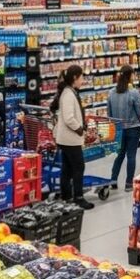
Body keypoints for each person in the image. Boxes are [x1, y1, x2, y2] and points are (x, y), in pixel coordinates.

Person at [51, 65, 94, 210]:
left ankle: (67, 196)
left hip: (65, 139)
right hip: (70, 139)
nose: (83, 80)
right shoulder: (69, 94)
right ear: (75, 78)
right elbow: (69, 118)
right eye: (82, 77)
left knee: (67, 168)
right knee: (78, 166)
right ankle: (79, 198)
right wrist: (80, 129)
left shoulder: (68, 92)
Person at [107, 65, 140, 192]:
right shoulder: (133, 92)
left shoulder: (111, 93)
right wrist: (139, 118)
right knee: (131, 156)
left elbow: (109, 113)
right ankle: (129, 183)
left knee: (119, 155)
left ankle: (113, 180)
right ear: (130, 76)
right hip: (133, 128)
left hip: (118, 129)